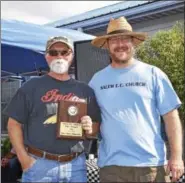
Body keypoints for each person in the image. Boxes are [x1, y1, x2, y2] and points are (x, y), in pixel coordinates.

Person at [89, 16, 184, 182]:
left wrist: (176, 157)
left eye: (124, 39)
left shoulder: (154, 74)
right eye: (114, 40)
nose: (120, 44)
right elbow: (91, 120)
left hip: (150, 166)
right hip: (111, 167)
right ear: (107, 45)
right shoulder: (96, 81)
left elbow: (171, 117)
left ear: (133, 42)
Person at [4, 36, 101, 182]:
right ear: (47, 57)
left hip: (76, 166)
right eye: (54, 52)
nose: (59, 56)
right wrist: (24, 159)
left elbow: (95, 128)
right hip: (39, 167)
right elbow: (13, 124)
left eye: (64, 52)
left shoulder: (85, 90)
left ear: (71, 56)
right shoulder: (31, 87)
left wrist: (89, 127)